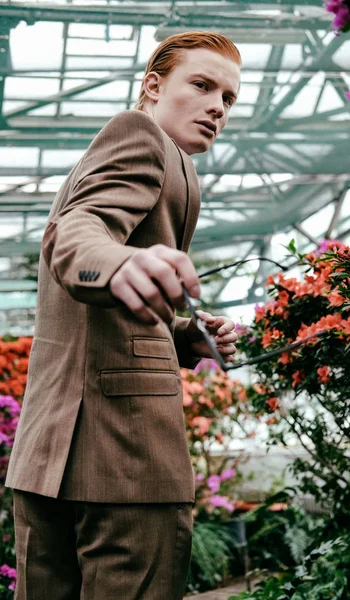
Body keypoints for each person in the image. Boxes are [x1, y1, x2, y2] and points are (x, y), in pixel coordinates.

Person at [5, 31, 242, 600]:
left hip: (51, 456)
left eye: (229, 99)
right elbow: (78, 231)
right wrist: (116, 266)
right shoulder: (141, 135)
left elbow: (97, 317)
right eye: (203, 85)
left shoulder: (162, 158)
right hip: (126, 460)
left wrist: (186, 336)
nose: (218, 106)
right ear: (154, 87)